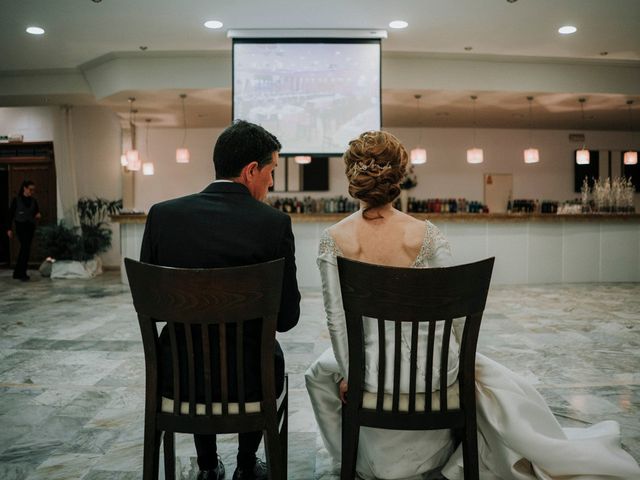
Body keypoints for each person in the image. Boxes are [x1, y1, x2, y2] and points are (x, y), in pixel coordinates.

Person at [305, 131, 640, 480]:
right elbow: (455, 314)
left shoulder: (334, 239)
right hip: (432, 373)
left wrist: (352, 375)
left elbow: (336, 321)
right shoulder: (426, 233)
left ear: (352, 176)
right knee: (488, 376)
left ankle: (355, 457)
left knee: (319, 373)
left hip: (371, 370)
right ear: (397, 177)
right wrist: (462, 364)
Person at [140, 120, 301, 480]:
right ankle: (247, 464)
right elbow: (288, 318)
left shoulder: (163, 216)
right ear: (250, 171)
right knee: (256, 353)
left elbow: (151, 307)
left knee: (196, 352)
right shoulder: (273, 224)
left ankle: (208, 466)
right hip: (251, 380)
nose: (272, 183)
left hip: (177, 377)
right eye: (271, 171)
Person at [7, 180, 41, 281]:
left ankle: (18, 272)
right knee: (25, 248)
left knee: (25, 249)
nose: (32, 192)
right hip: (20, 227)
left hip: (30, 227)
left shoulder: (34, 201)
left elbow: (36, 212)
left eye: (33, 190)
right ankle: (21, 273)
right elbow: (10, 215)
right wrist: (9, 229)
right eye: (30, 189)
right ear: (24, 188)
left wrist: (38, 215)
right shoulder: (16, 200)